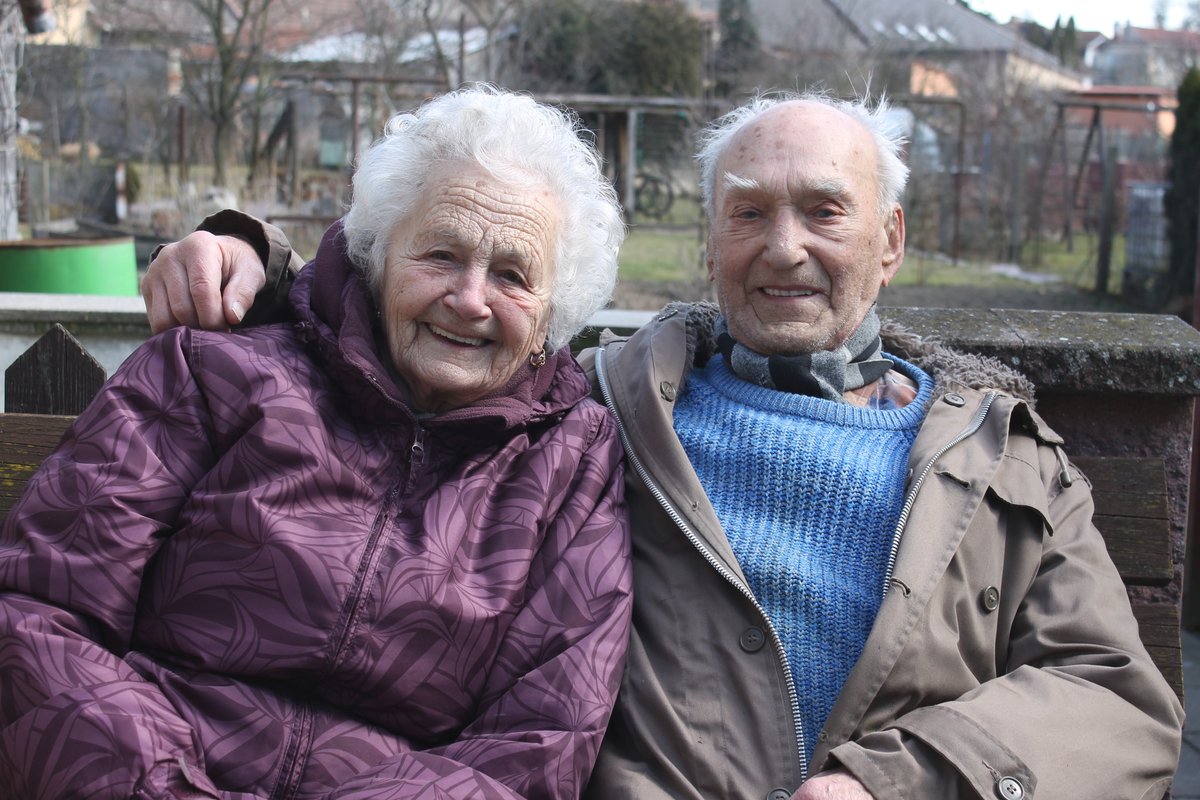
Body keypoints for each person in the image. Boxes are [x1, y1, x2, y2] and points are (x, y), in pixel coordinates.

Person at [142, 90, 1185, 799]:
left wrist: (896, 781)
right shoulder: (595, 407)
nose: (785, 247)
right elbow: (415, 310)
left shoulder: (1005, 456)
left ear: (891, 240)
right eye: (749, 212)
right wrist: (247, 251)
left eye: (825, 210)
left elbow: (1118, 699)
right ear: (710, 240)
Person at [0, 86, 634, 800]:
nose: (470, 297)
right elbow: (43, 611)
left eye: (512, 275)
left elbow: (539, 740)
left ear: (554, 311)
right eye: (440, 254)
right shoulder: (212, 373)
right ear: (378, 253)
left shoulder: (569, 463)